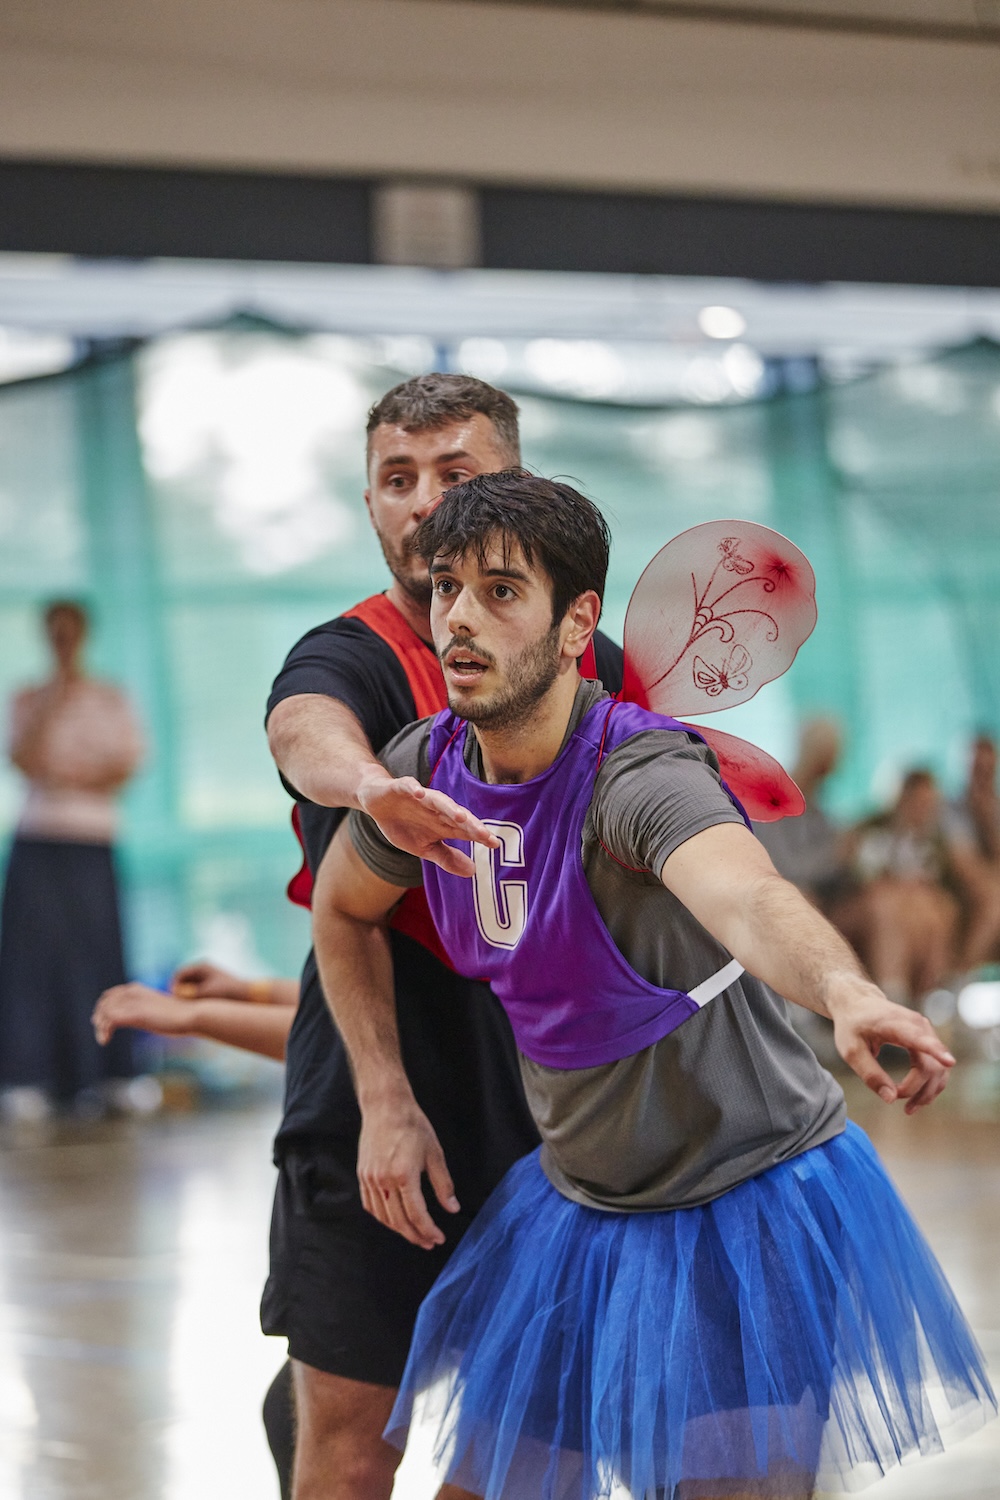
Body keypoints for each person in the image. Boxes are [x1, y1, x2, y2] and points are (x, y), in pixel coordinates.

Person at [314, 473, 994, 1500]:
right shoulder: (423, 774)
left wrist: (847, 993)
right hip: (578, 1210)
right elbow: (342, 909)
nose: (459, 617)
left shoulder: (636, 775)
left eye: (501, 592)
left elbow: (747, 896)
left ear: (575, 622)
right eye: (447, 588)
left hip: (747, 1205)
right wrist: (382, 1096)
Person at [263, 374, 624, 1500]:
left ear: (517, 484)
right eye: (396, 478)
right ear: (371, 501)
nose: (423, 501)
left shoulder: (589, 661)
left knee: (541, 1441)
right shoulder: (353, 654)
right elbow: (303, 729)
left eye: (454, 473)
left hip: (548, 1093)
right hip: (382, 1080)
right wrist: (372, 788)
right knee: (350, 1439)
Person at [0, 600, 149, 1120]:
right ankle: (30, 1076)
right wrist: (54, 697)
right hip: (39, 838)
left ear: (84, 634)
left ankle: (110, 1074)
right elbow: (24, 759)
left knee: (98, 954)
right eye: (55, 632)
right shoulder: (28, 697)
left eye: (70, 632)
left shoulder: (110, 698)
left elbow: (123, 767)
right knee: (31, 961)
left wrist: (72, 773)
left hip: (92, 839)